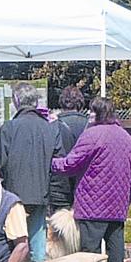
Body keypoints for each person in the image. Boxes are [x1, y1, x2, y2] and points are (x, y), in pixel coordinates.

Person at [53, 96, 131, 262]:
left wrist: (51, 163)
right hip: (118, 202)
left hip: (93, 201)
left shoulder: (92, 135)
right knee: (115, 244)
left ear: (99, 114)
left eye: (92, 111)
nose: (89, 115)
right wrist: (128, 197)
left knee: (89, 247)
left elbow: (72, 163)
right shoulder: (126, 137)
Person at [0, 94, 58, 262]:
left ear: (16, 101)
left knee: (14, 238)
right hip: (40, 191)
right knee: (37, 239)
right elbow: (58, 160)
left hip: (13, 195)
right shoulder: (49, 128)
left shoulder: (8, 128)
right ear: (36, 103)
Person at [45, 85, 89, 217]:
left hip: (58, 187)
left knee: (59, 232)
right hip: (84, 186)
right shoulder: (90, 125)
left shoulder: (52, 126)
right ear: (80, 103)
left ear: (62, 102)